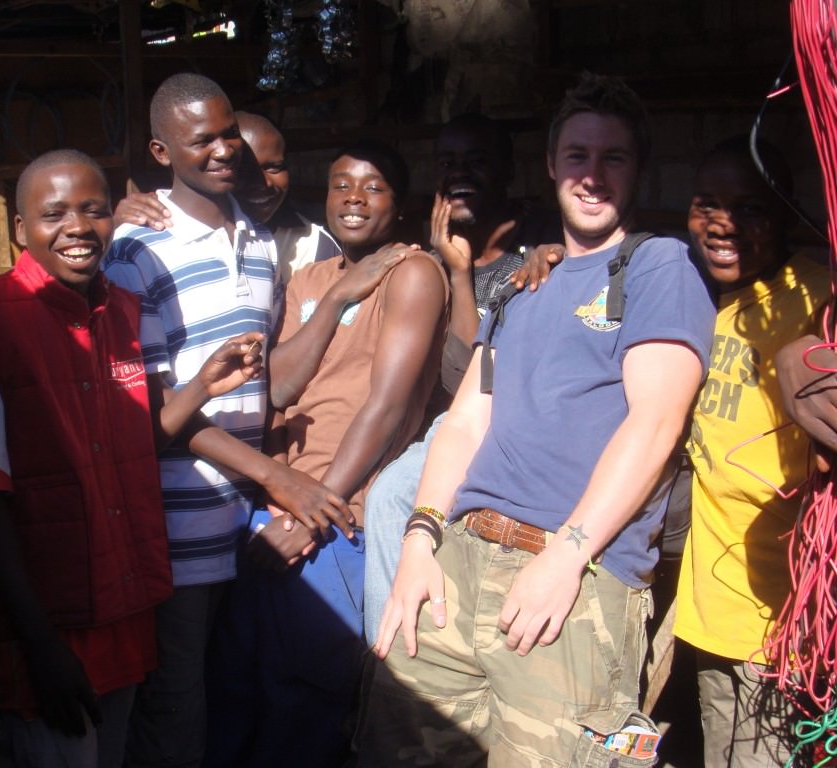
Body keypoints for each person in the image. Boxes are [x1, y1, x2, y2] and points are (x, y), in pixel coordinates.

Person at [357, 73, 717, 767]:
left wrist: (565, 555)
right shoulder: (521, 287)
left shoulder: (656, 267)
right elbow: (467, 420)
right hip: (456, 565)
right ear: (551, 165)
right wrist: (420, 539)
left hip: (572, 583)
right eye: (578, 155)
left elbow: (656, 422)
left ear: (638, 169)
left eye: (613, 158)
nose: (592, 175)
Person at [0, 149, 264, 767]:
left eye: (93, 211)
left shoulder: (121, 311)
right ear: (20, 230)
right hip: (49, 626)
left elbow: (133, 446)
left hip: (123, 609)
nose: (77, 228)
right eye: (54, 213)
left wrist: (200, 386)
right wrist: (38, 643)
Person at [101, 73, 353, 768]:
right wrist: (277, 475)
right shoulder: (138, 251)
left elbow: (266, 379)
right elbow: (151, 410)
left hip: (243, 521)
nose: (221, 151)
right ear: (161, 151)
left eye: (227, 134)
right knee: (177, 709)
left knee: (234, 691)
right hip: (179, 526)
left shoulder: (260, 241)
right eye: (199, 140)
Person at [203, 140, 448, 768]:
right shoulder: (311, 278)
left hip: (333, 524)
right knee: (239, 692)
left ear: (401, 205)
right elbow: (278, 387)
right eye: (341, 185)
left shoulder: (412, 273)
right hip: (273, 508)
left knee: (304, 709)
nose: (354, 199)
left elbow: (387, 406)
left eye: (373, 187)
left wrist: (314, 512)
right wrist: (338, 299)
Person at [362, 113, 559, 645]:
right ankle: (383, 662)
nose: (459, 174)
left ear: (509, 170)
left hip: (520, 420)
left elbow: (494, 374)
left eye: (476, 161)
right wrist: (456, 271)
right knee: (388, 497)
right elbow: (461, 375)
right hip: (461, 417)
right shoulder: (429, 258)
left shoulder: (544, 244)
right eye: (447, 162)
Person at [671, 137, 828, 767]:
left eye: (750, 208)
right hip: (715, 609)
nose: (723, 223)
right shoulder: (689, 292)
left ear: (786, 215)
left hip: (791, 617)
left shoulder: (819, 297)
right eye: (707, 203)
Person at [113, 110, 340, 283]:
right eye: (245, 170)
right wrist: (115, 227)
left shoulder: (314, 245)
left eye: (275, 167)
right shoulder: (163, 227)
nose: (264, 183)